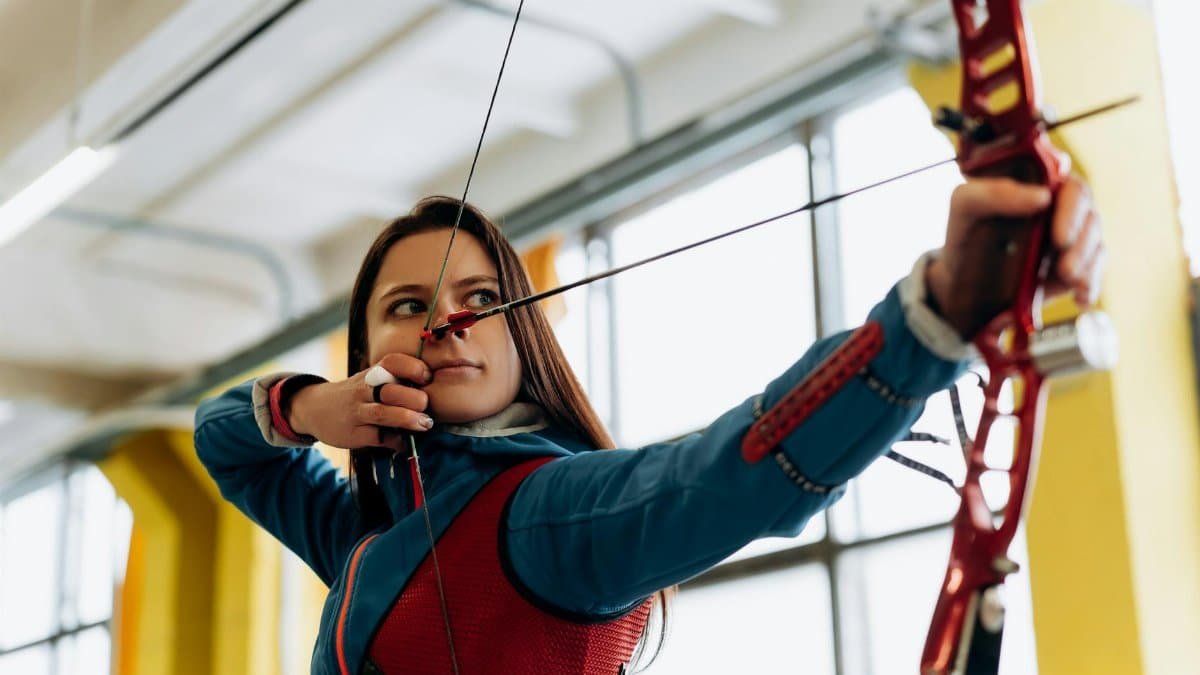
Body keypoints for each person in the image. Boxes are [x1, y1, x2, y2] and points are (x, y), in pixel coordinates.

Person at [194, 175, 1104, 674]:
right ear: (366, 344)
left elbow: (721, 474)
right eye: (408, 304)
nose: (449, 321)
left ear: (524, 341)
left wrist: (935, 313)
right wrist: (310, 405)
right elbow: (222, 442)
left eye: (483, 298)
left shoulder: (541, 517)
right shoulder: (370, 532)